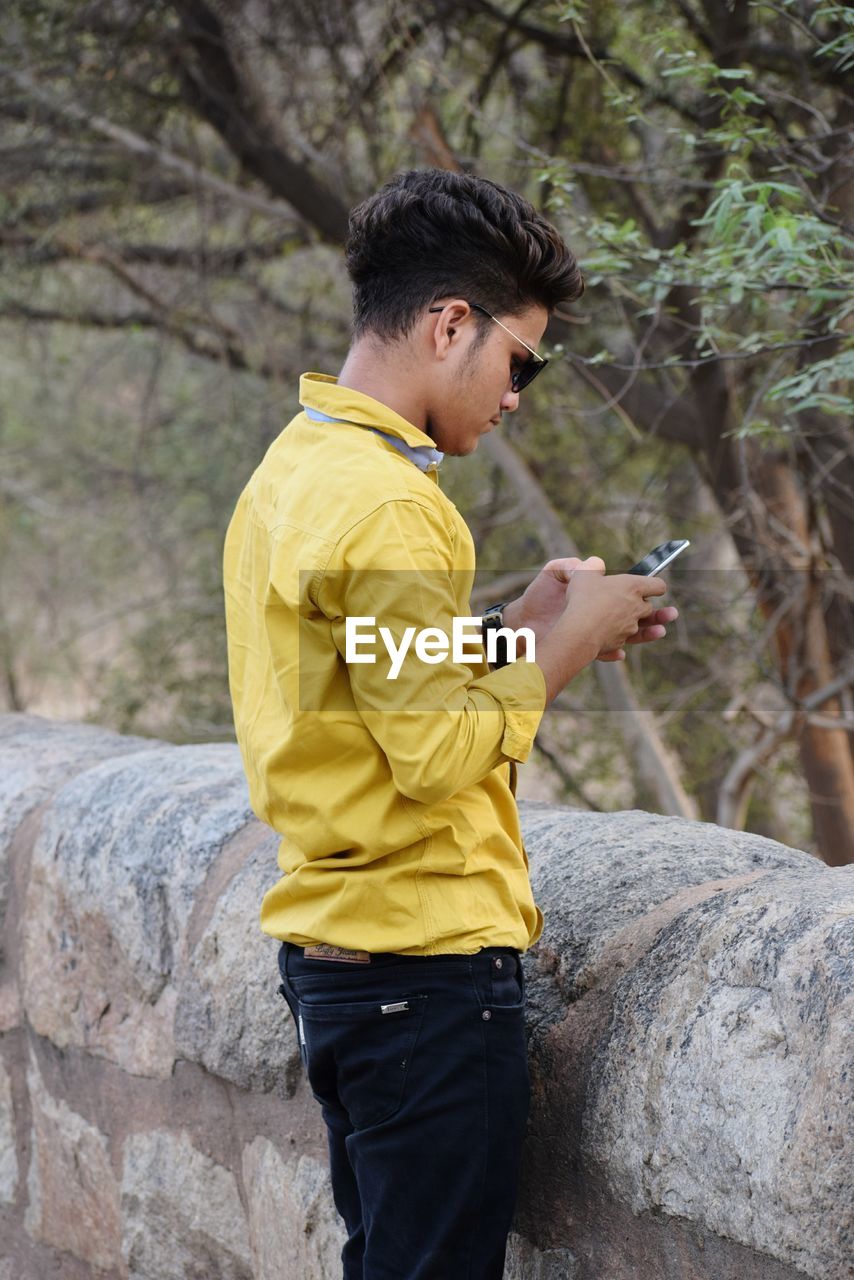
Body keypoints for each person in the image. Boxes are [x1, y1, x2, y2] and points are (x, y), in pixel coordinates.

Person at [222, 168, 677, 1280]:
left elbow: (370, 677)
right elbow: (427, 752)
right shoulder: (392, 503)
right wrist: (566, 648)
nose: (517, 391)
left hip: (345, 959)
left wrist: (515, 629)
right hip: (419, 971)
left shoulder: (304, 464)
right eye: (519, 359)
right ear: (447, 323)